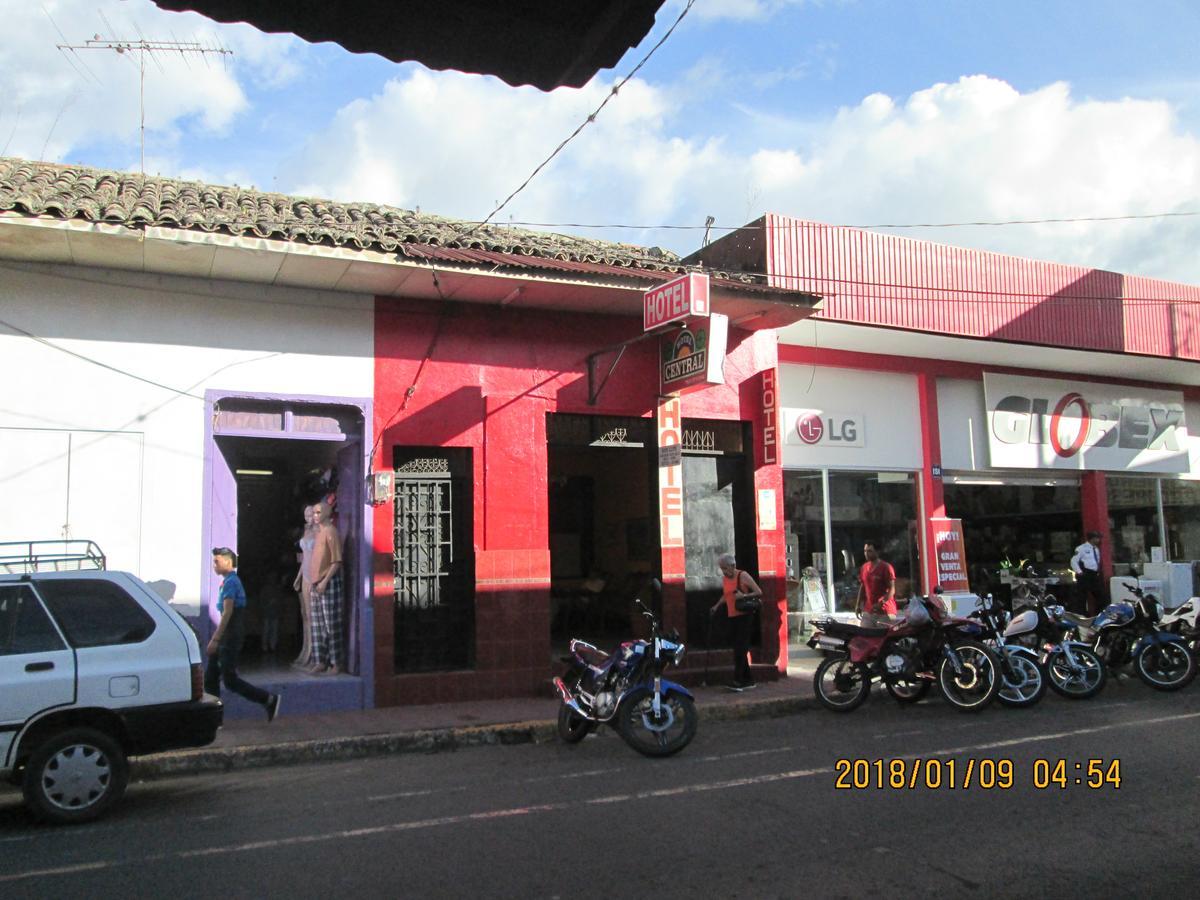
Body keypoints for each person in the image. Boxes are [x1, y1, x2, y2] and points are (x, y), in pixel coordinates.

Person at [207, 548, 281, 721]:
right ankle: (213, 718)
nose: (214, 565)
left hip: (230, 634)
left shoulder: (231, 583)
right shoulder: (227, 581)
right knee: (211, 677)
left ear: (228, 562)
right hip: (228, 632)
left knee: (229, 680)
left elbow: (227, 613)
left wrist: (215, 639)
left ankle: (268, 699)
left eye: (217, 561)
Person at [710, 553, 763, 692]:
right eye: (722, 569)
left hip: (745, 616)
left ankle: (738, 680)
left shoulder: (742, 575)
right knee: (738, 648)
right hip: (732, 615)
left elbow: (759, 592)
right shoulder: (726, 579)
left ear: (733, 566)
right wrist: (716, 606)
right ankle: (748, 680)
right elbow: (726, 595)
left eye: (725, 568)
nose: (724, 571)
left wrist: (744, 595)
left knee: (740, 648)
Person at [308, 500, 345, 675]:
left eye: (318, 512)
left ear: (327, 513)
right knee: (317, 625)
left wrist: (324, 582)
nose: (315, 516)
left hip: (327, 583)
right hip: (316, 583)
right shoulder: (319, 533)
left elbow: (336, 561)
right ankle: (320, 660)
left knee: (331, 624)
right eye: (314, 513)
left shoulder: (330, 532)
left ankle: (336, 662)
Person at [292, 505, 316, 670]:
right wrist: (298, 577)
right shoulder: (307, 532)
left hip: (314, 574)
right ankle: (305, 650)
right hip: (305, 573)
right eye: (306, 515)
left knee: (312, 615)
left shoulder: (320, 533)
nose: (308, 518)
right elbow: (304, 557)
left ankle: (313, 654)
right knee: (305, 615)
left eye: (310, 514)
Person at [855, 541, 896, 626]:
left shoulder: (886, 567)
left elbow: (892, 589)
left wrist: (881, 603)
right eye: (865, 551)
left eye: (870, 551)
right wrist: (858, 605)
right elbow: (862, 587)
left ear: (877, 552)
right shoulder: (864, 567)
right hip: (869, 611)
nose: (866, 553)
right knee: (865, 635)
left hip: (885, 612)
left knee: (883, 637)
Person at [1070, 531, 1106, 615]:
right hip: (1085, 574)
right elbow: (1073, 561)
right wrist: (1079, 572)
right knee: (1082, 597)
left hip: (1094, 574)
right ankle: (1082, 615)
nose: (1098, 540)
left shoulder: (1096, 549)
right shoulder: (1081, 548)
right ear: (1092, 539)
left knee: (1101, 595)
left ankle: (1098, 614)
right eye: (1097, 538)